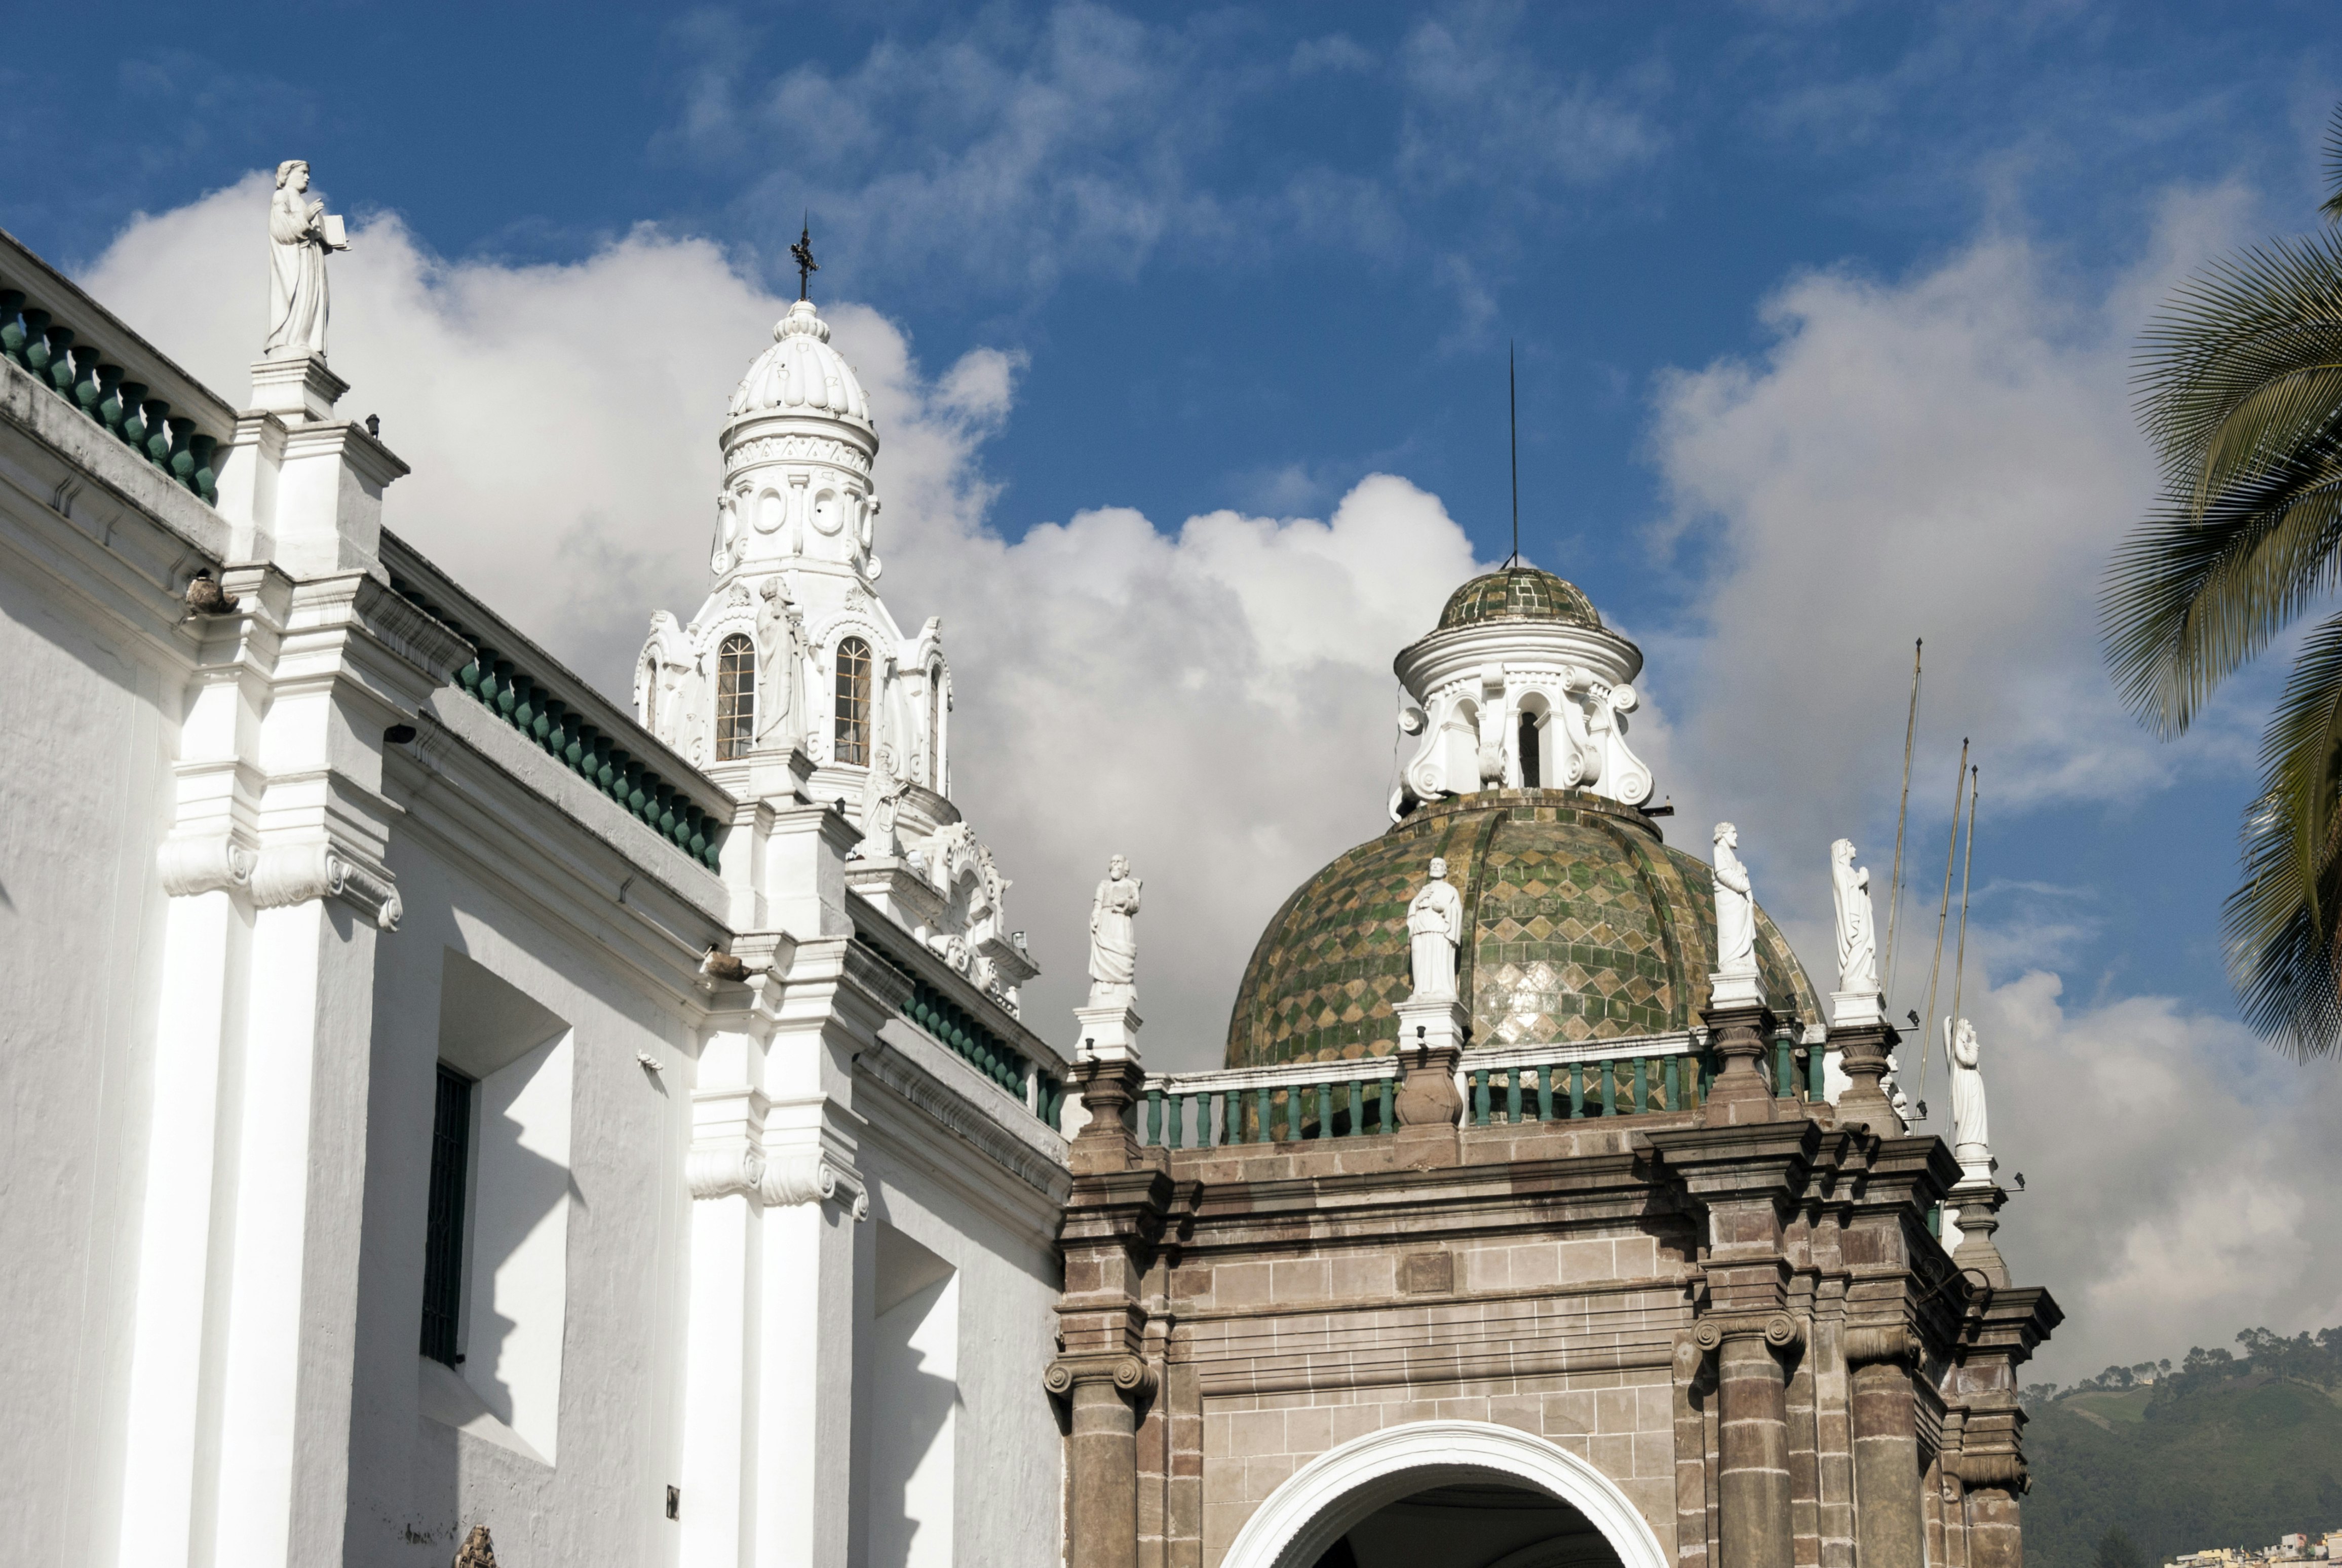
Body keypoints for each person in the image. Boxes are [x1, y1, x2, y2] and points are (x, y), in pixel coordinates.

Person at [263, 160, 337, 359]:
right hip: (295, 262)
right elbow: (281, 230)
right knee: (299, 300)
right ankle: (290, 340)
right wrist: (306, 216)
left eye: (308, 173)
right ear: (288, 174)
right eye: (303, 172)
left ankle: (304, 340)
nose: (308, 177)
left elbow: (308, 232)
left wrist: (331, 241)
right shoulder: (281, 196)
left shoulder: (300, 201)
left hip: (310, 259)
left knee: (311, 300)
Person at [1406, 857, 1464, 999]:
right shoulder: (1424, 890)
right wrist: (1418, 900)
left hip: (1439, 930)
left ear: (1445, 870)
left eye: (1439, 865)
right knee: (1418, 952)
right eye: (1432, 865)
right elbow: (1414, 908)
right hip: (1420, 928)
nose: (1435, 867)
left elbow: (1457, 910)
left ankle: (1439, 989)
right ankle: (1419, 990)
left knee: (1439, 957)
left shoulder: (1451, 890)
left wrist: (1444, 908)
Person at [1087, 855, 1141, 1004]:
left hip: (1121, 922)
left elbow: (1136, 904)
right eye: (1112, 862)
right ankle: (1103, 986)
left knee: (1121, 952)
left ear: (1125, 868)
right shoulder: (1104, 885)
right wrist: (1096, 917)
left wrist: (1127, 903)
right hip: (1105, 921)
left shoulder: (1131, 885)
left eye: (1118, 862)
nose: (1114, 864)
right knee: (1104, 954)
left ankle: (1122, 987)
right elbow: (1097, 903)